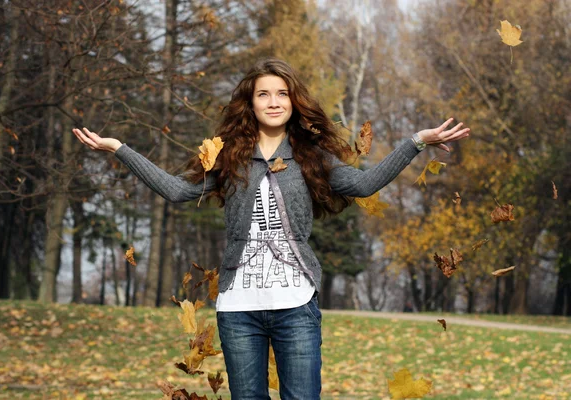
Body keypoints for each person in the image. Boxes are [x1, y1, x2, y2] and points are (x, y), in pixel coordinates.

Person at [72, 58, 469, 399]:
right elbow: (178, 190)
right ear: (251, 102)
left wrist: (416, 142)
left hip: (296, 305)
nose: (274, 101)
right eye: (264, 94)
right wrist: (119, 149)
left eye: (282, 93)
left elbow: (365, 184)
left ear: (294, 101)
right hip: (238, 309)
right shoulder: (229, 158)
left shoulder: (311, 157)